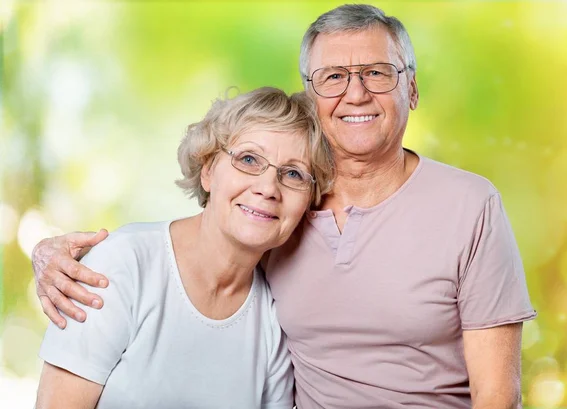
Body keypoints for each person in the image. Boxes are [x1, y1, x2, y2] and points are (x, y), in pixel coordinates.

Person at [32, 4, 536, 408]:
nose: (356, 92)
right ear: (311, 96)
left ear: (412, 87)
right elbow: (196, 236)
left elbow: (498, 396)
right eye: (333, 76)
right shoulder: (280, 213)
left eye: (378, 73)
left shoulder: (470, 205)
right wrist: (52, 253)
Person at [34, 87, 334, 409]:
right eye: (249, 159)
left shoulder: (274, 320)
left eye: (292, 173)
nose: (267, 188)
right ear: (208, 171)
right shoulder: (122, 264)